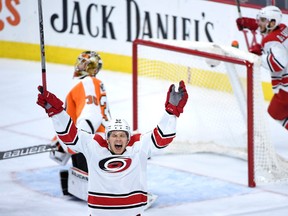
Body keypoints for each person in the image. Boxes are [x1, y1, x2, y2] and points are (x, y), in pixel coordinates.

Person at [37, 80, 188, 216]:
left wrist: (171, 113)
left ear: (128, 138)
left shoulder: (138, 147)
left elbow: (162, 138)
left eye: (122, 135)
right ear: (107, 137)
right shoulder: (94, 146)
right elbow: (70, 136)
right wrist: (56, 112)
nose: (118, 139)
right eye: (114, 135)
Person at [49, 51, 111, 199]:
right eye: (81, 61)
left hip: (93, 140)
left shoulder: (88, 82)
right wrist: (58, 140)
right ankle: (78, 183)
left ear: (93, 68)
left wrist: (76, 140)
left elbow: (92, 114)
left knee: (79, 149)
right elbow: (72, 117)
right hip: (99, 139)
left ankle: (100, 186)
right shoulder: (92, 84)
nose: (81, 65)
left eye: (86, 63)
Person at [236, 6, 288, 130]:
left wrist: (259, 56)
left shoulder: (270, 40)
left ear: (272, 22)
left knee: (275, 112)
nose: (259, 23)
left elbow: (279, 63)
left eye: (262, 20)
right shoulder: (283, 29)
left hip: (285, 89)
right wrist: (249, 23)